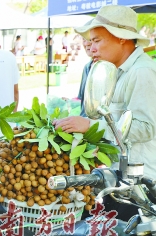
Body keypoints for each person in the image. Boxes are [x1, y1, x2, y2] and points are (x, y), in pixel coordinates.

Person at [53, 6, 156, 210]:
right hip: (121, 180)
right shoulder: (117, 72)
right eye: (90, 42)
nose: (91, 48)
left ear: (121, 38)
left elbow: (146, 128)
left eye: (97, 41)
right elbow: (116, 125)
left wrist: (91, 126)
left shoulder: (142, 72)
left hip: (143, 187)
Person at [76, 20, 94, 117]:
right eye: (84, 39)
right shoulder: (87, 67)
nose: (86, 43)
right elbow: (83, 102)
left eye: (91, 39)